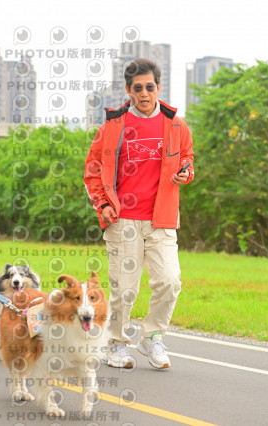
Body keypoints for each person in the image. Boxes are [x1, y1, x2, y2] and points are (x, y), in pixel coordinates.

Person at [84, 58, 194, 370]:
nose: (144, 93)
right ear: (128, 90)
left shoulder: (176, 125)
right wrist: (103, 205)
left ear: (158, 87)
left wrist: (187, 172)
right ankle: (116, 344)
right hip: (123, 220)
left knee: (170, 281)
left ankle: (152, 336)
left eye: (149, 87)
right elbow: (92, 171)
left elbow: (187, 158)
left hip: (162, 219)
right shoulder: (112, 127)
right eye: (137, 88)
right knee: (125, 289)